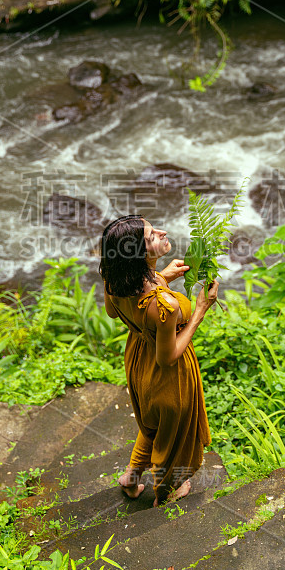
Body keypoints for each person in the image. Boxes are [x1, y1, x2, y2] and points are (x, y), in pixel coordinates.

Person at [98, 214, 219, 507]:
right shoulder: (164, 305)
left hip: (139, 362)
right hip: (168, 376)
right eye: (152, 236)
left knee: (152, 424)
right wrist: (201, 309)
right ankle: (165, 493)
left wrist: (161, 277)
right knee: (172, 434)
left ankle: (131, 477)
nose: (162, 232)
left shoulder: (116, 280)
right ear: (139, 255)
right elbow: (168, 357)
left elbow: (115, 313)